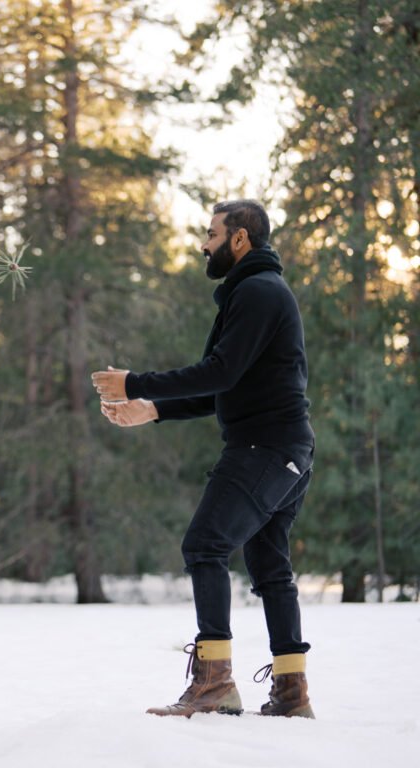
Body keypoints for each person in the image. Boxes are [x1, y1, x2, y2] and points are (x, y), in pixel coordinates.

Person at [91, 200, 315, 719]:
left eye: (211, 234)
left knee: (205, 544)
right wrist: (150, 409)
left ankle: (214, 684)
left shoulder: (258, 291)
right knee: (269, 566)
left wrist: (136, 382)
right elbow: (228, 382)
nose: (203, 244)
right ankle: (291, 692)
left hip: (266, 447)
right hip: (286, 448)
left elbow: (218, 371)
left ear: (240, 239)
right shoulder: (255, 292)